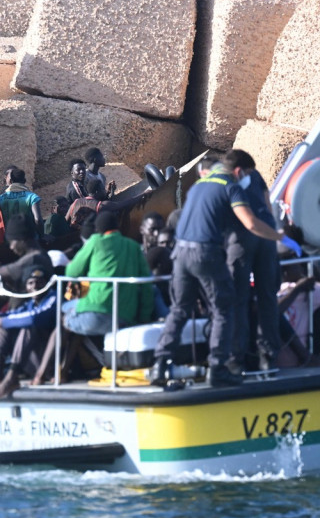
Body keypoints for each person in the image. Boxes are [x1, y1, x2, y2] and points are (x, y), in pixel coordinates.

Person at [151, 149, 301, 387]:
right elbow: (252, 221)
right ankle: (224, 366)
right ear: (239, 171)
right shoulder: (232, 187)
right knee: (227, 307)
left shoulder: (198, 187)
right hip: (210, 251)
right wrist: (279, 236)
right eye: (246, 173)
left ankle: (161, 363)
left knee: (180, 309)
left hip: (181, 253)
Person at [33, 211, 154, 384]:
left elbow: (71, 272)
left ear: (98, 230)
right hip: (126, 318)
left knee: (63, 315)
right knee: (74, 315)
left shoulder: (96, 242)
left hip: (96, 315)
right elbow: (147, 287)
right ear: (117, 227)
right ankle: (63, 371)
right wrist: (142, 319)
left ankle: (44, 374)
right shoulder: (133, 246)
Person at [226, 165, 282, 372]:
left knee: (238, 301)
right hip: (265, 239)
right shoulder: (256, 177)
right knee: (267, 298)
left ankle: (236, 359)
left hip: (242, 241)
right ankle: (267, 357)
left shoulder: (226, 182)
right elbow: (269, 209)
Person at [0, 264, 59, 398]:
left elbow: (34, 318)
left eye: (40, 282)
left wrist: (2, 321)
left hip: (51, 365)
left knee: (27, 328)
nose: (35, 286)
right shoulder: (30, 304)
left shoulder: (54, 298)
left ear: (47, 284)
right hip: (33, 362)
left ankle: (12, 376)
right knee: (1, 329)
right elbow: (11, 315)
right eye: (31, 283)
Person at [0, 166, 42, 235]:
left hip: (9, 239)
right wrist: (41, 235)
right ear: (24, 180)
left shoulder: (0, 198)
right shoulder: (32, 197)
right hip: (29, 239)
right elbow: (38, 219)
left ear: (10, 181)